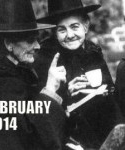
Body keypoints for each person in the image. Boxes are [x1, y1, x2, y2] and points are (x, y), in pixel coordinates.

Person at [0, 0, 68, 150]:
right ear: (8, 44)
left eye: (37, 39)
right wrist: (50, 91)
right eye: (30, 40)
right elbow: (27, 134)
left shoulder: (14, 73)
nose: (38, 46)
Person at [34, 0, 124, 149]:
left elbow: (109, 94)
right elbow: (42, 115)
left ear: (86, 26)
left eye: (74, 27)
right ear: (55, 32)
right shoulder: (45, 58)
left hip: (102, 135)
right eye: (62, 30)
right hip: (68, 140)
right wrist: (66, 93)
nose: (70, 35)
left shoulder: (93, 51)